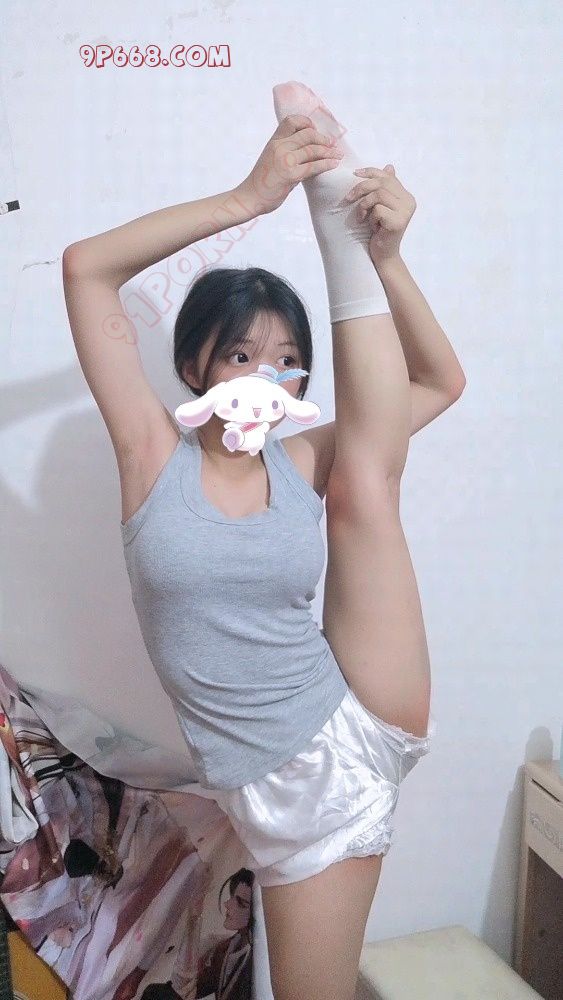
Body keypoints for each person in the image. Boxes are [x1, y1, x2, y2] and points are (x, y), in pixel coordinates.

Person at [63, 80, 465, 1000]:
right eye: (241, 355)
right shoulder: (150, 457)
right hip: (262, 779)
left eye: (287, 362)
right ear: (195, 364)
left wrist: (391, 260)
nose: (264, 378)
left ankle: (350, 243)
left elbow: (440, 383)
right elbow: (86, 269)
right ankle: (332, 220)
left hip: (335, 753)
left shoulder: (300, 458)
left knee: (365, 479)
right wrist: (250, 198)